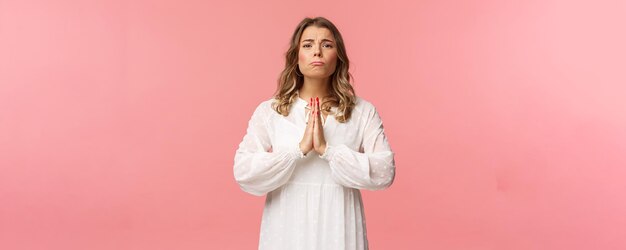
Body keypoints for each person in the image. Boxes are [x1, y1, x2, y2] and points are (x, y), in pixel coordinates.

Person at [233, 16, 396, 250]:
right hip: (286, 227)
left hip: (340, 227)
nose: (317, 52)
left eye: (327, 45)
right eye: (308, 45)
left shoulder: (362, 111)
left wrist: (328, 151)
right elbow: (243, 171)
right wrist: (297, 151)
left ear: (337, 57)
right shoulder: (271, 111)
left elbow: (385, 171)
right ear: (296, 56)